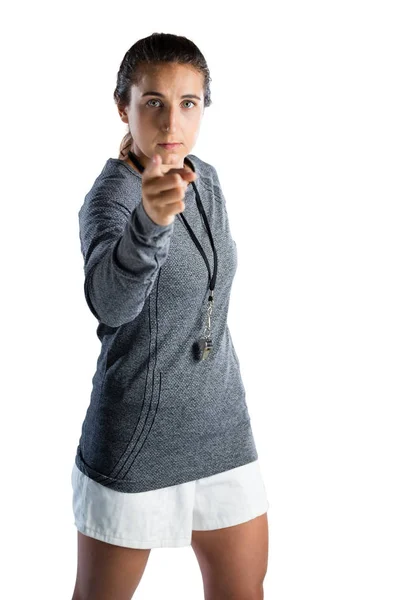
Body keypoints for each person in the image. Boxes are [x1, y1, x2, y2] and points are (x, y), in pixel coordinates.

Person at [71, 32, 270, 600]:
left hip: (222, 426)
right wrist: (148, 226)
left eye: (188, 103)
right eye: (152, 102)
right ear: (123, 107)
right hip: (135, 435)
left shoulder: (206, 177)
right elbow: (110, 305)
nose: (171, 123)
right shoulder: (110, 199)